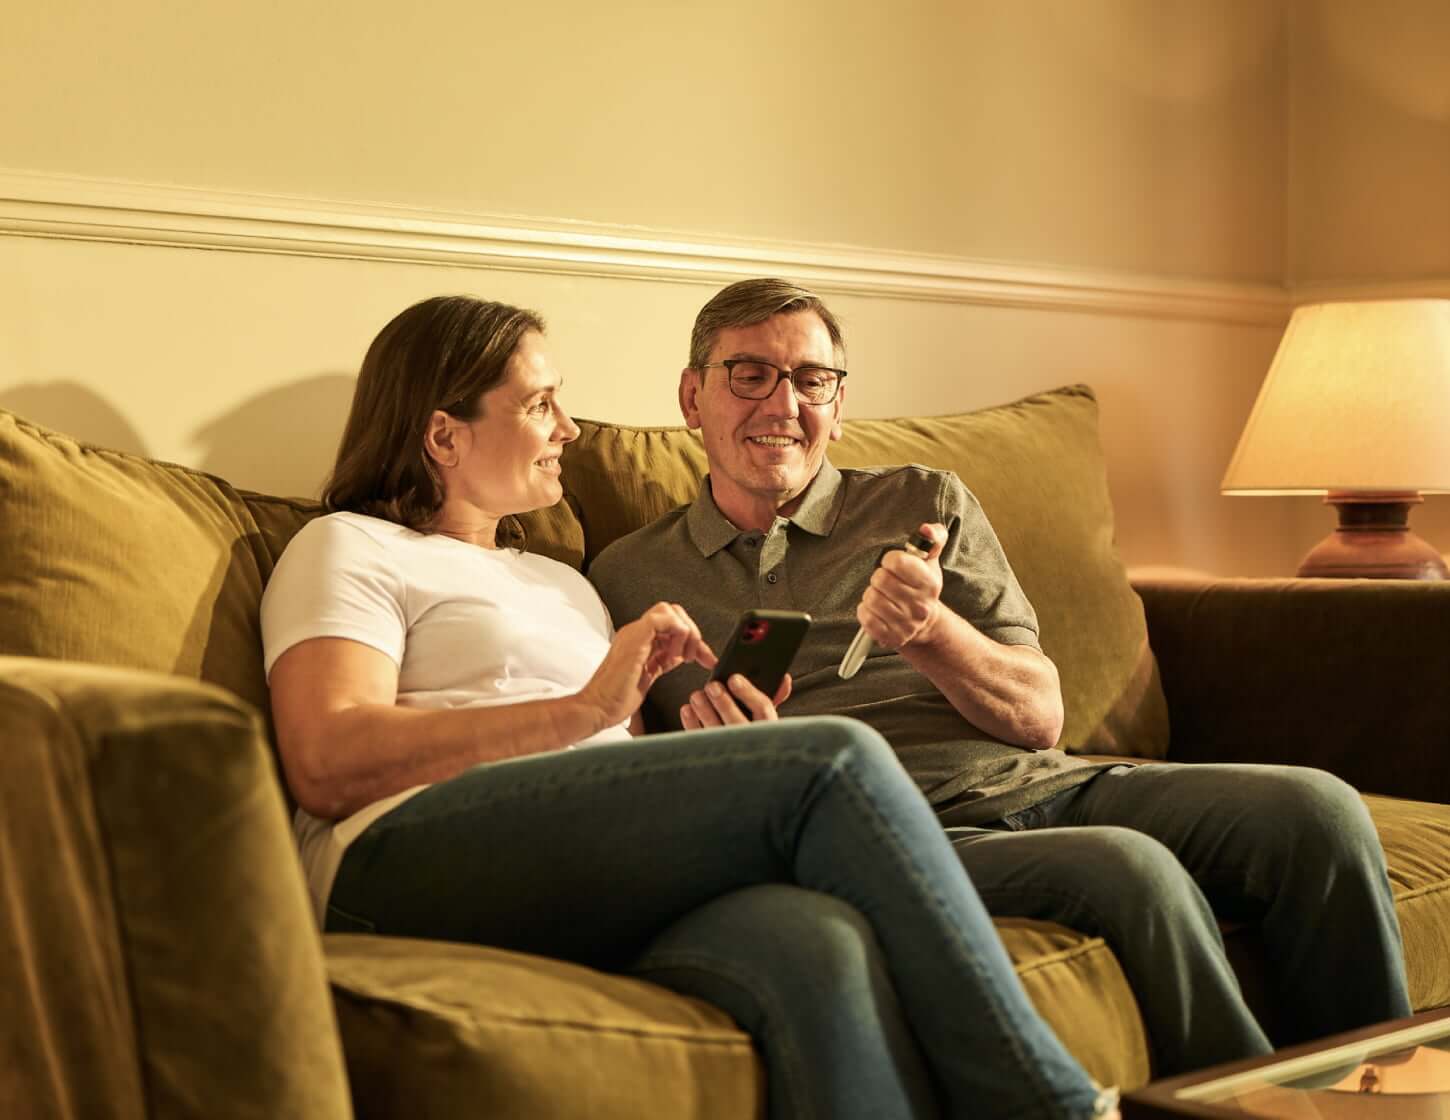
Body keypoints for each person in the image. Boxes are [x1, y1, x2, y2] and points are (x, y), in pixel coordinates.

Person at [260, 294, 1120, 1120]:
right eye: (542, 405)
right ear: (444, 434)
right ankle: (1048, 1102)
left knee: (814, 939)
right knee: (834, 756)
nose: (569, 428)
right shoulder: (350, 546)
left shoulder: (565, 581)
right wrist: (580, 711)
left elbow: (613, 768)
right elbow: (328, 762)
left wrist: (725, 749)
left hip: (579, 857)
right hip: (399, 857)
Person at [588, 277, 1413, 1078]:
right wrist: (736, 766)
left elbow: (1039, 718)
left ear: (838, 409)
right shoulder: (628, 576)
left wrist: (934, 632)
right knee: (1131, 870)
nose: (783, 404)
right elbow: (638, 783)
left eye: (812, 379)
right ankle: (1255, 1111)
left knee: (1319, 811)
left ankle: (1373, 1097)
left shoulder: (921, 501)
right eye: (751, 374)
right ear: (694, 398)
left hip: (1045, 779)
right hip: (894, 828)